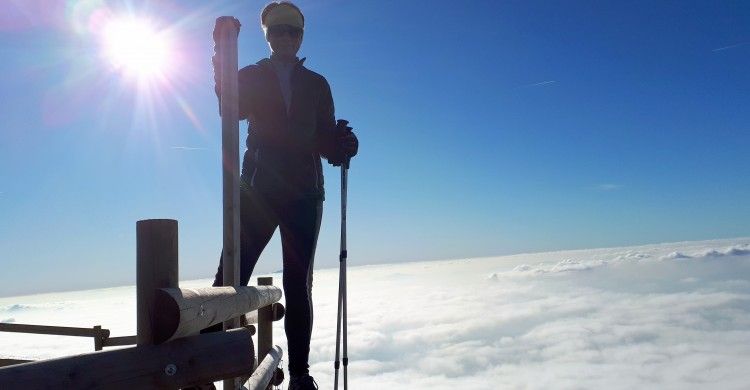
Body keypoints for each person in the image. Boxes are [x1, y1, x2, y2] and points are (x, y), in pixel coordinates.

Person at [210, 2, 358, 390]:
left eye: (292, 32)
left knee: (298, 283)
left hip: (305, 194)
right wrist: (219, 57)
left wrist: (343, 144)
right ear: (268, 36)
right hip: (259, 190)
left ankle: (300, 375)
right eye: (277, 32)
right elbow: (229, 105)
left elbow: (324, 139)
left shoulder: (317, 84)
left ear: (301, 36)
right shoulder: (253, 76)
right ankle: (202, 358)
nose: (285, 38)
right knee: (231, 275)